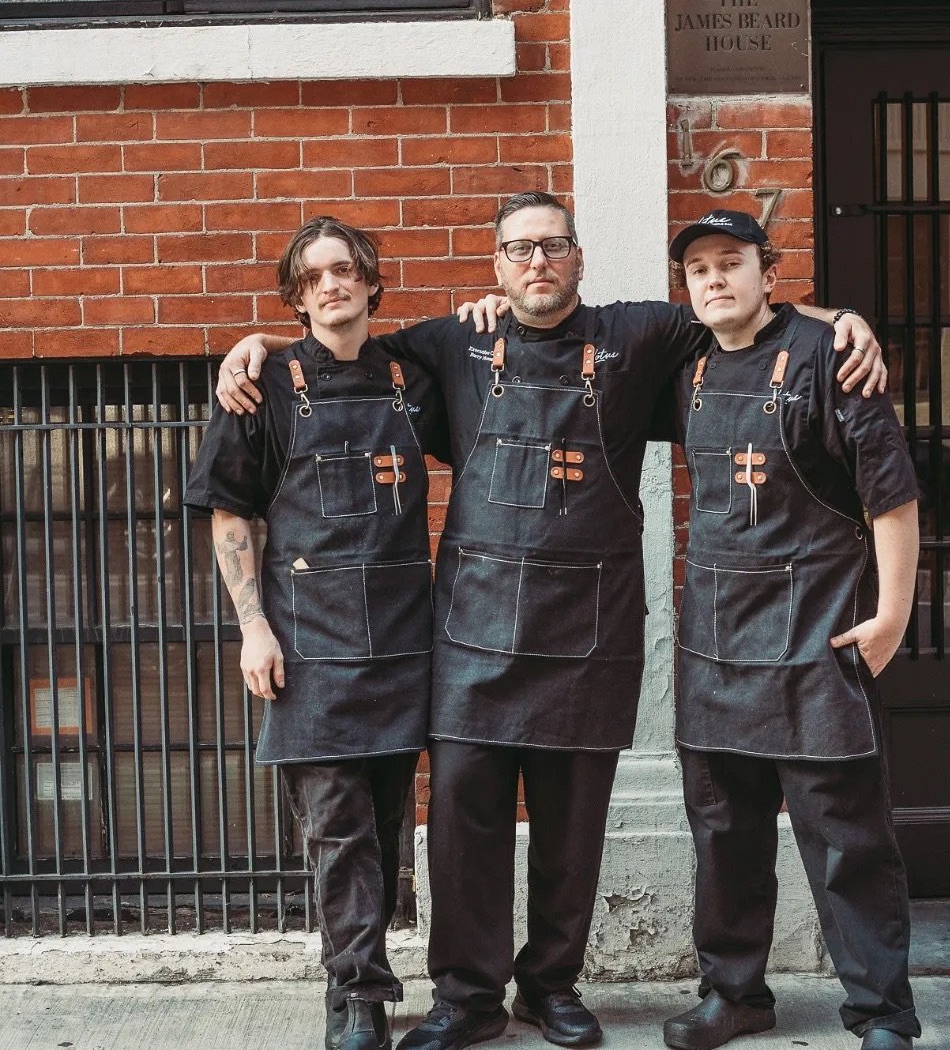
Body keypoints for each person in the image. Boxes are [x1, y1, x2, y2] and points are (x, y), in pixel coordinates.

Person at [214, 192, 885, 1050]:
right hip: (470, 636)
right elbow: (338, 348)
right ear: (495, 265)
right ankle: (467, 998)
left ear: (579, 257)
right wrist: (258, 343)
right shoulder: (450, 343)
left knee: (572, 829)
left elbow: (751, 317)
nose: (537, 263)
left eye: (553, 246)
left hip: (588, 634)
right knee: (464, 828)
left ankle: (552, 986)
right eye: (518, 249)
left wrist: (844, 321)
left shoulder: (642, 334)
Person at [659, 211, 921, 1050]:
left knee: (848, 842)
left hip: (813, 641)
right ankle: (733, 994)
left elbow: (891, 497)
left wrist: (892, 613)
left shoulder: (831, 359)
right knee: (724, 839)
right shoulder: (684, 363)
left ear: (769, 274)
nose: (714, 280)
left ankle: (882, 1011)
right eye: (698, 269)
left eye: (730, 262)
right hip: (714, 645)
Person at [185, 217, 448, 1050]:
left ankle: (369, 974)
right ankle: (356, 998)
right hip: (307, 643)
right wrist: (251, 626)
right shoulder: (261, 386)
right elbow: (231, 512)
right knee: (336, 830)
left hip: (404, 639)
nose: (333, 285)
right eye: (313, 277)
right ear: (296, 297)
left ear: (372, 282)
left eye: (347, 271)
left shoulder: (415, 378)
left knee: (384, 822)